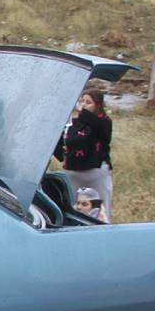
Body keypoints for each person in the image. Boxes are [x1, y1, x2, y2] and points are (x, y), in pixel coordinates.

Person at [54, 89, 114, 220]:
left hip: (96, 172)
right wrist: (63, 158)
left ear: (97, 105)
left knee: (101, 207)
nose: (84, 105)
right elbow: (60, 141)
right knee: (76, 207)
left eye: (89, 102)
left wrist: (83, 112)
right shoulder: (73, 123)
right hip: (74, 173)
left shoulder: (104, 121)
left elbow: (100, 129)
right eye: (82, 101)